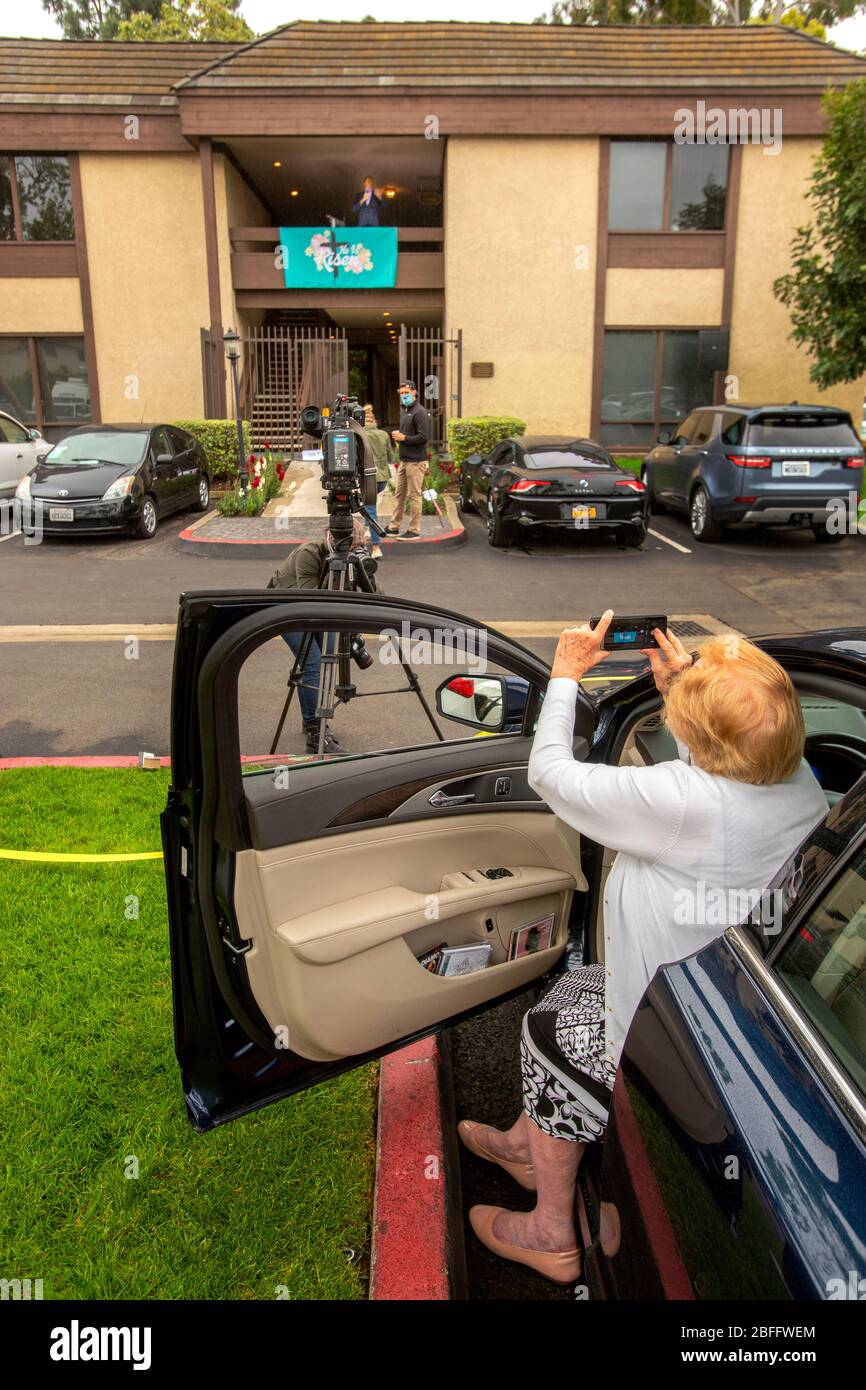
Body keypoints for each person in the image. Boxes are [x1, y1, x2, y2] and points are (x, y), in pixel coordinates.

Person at [460, 615, 827, 1285]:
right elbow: (733, 759)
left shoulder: (677, 801)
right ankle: (526, 1143)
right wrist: (687, 691)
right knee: (568, 1000)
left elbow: (549, 774)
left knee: (552, 1027)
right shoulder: (799, 780)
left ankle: (550, 1231)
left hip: (657, 997)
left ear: (700, 742)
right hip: (703, 966)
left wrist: (566, 675)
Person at [267, 517, 381, 754]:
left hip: (315, 609)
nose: (353, 551)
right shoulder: (309, 553)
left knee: (320, 658)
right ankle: (315, 730)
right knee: (313, 661)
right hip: (286, 606)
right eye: (350, 547)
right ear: (331, 542)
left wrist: (364, 571)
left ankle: (310, 717)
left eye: (358, 547)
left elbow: (379, 598)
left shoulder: (354, 559)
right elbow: (311, 602)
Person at [385, 380, 430, 540]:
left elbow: (424, 437)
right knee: (399, 495)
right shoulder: (405, 410)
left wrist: (403, 437)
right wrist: (401, 438)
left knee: (414, 495)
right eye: (401, 393)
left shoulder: (420, 412)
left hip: (416, 461)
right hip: (404, 460)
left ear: (414, 393)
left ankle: (414, 529)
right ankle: (394, 526)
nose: (404, 396)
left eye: (406, 393)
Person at [362, 403, 396, 558]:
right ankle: (368, 528)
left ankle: (376, 547)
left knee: (370, 510)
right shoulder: (383, 434)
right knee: (369, 505)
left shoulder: (360, 434)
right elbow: (391, 456)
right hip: (382, 478)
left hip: (367, 477)